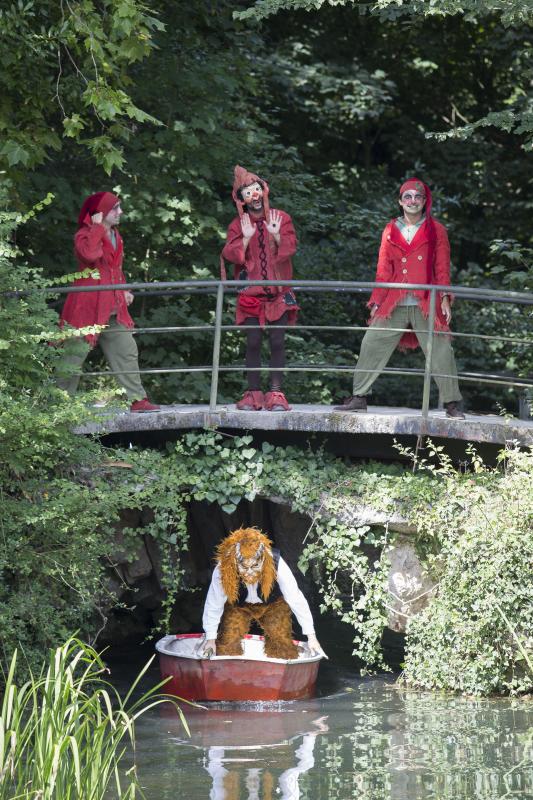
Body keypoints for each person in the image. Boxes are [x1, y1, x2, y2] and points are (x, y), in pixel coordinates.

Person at [335, 177, 465, 418]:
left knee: (441, 350)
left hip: (426, 300)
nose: (412, 201)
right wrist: (376, 302)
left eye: (417, 197)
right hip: (394, 300)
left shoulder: (436, 229)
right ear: (400, 202)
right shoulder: (389, 228)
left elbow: (442, 267)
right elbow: (383, 270)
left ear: (424, 201)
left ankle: (452, 404)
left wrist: (445, 297)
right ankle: (359, 396)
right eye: (407, 197)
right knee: (370, 343)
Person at [56, 191, 159, 413]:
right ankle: (58, 405)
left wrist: (125, 290)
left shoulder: (116, 235)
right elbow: (90, 256)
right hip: (87, 306)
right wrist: (97, 229)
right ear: (101, 213)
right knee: (73, 355)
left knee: (127, 350)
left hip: (112, 306)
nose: (120, 212)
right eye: (115, 208)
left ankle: (137, 400)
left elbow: (115, 270)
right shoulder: (84, 235)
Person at [221, 165, 298, 411]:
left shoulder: (281, 217)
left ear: (263, 191)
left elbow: (291, 247)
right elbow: (230, 254)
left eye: (256, 190)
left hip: (278, 295)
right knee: (253, 342)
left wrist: (275, 235)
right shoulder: (238, 224)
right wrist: (244, 237)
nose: (253, 196)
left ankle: (276, 393)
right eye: (247, 193)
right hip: (251, 297)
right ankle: (253, 393)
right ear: (241, 199)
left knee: (277, 341)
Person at [200, 527, 325, 660]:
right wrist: (210, 639)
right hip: (239, 606)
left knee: (281, 641)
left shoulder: (277, 564)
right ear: (235, 562)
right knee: (228, 641)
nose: (249, 572)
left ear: (262, 560)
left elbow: (295, 598)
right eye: (244, 567)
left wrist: (311, 636)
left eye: (254, 566)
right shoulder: (224, 568)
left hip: (273, 606)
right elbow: (214, 602)